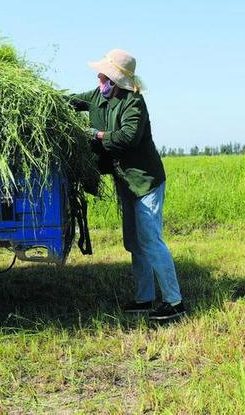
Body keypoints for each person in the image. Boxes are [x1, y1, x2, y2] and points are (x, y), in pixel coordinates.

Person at [69, 49, 185, 321]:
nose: (100, 83)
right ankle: (144, 299)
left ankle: (174, 301)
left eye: (104, 78)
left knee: (150, 240)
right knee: (133, 241)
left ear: (116, 80)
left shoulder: (134, 103)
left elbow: (127, 137)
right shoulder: (98, 96)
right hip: (126, 182)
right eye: (99, 77)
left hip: (144, 182)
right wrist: (50, 101)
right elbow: (72, 100)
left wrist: (96, 135)